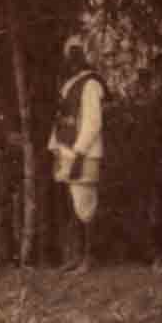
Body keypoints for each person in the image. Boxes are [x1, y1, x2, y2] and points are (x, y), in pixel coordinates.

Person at [47, 35, 106, 272]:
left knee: (85, 204)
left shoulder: (91, 84)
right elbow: (60, 121)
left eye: (77, 53)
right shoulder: (69, 85)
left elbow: (93, 122)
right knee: (72, 204)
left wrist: (79, 153)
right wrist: (55, 149)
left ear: (85, 56)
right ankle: (77, 254)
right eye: (70, 54)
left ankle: (90, 257)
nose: (73, 59)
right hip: (66, 150)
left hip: (84, 152)